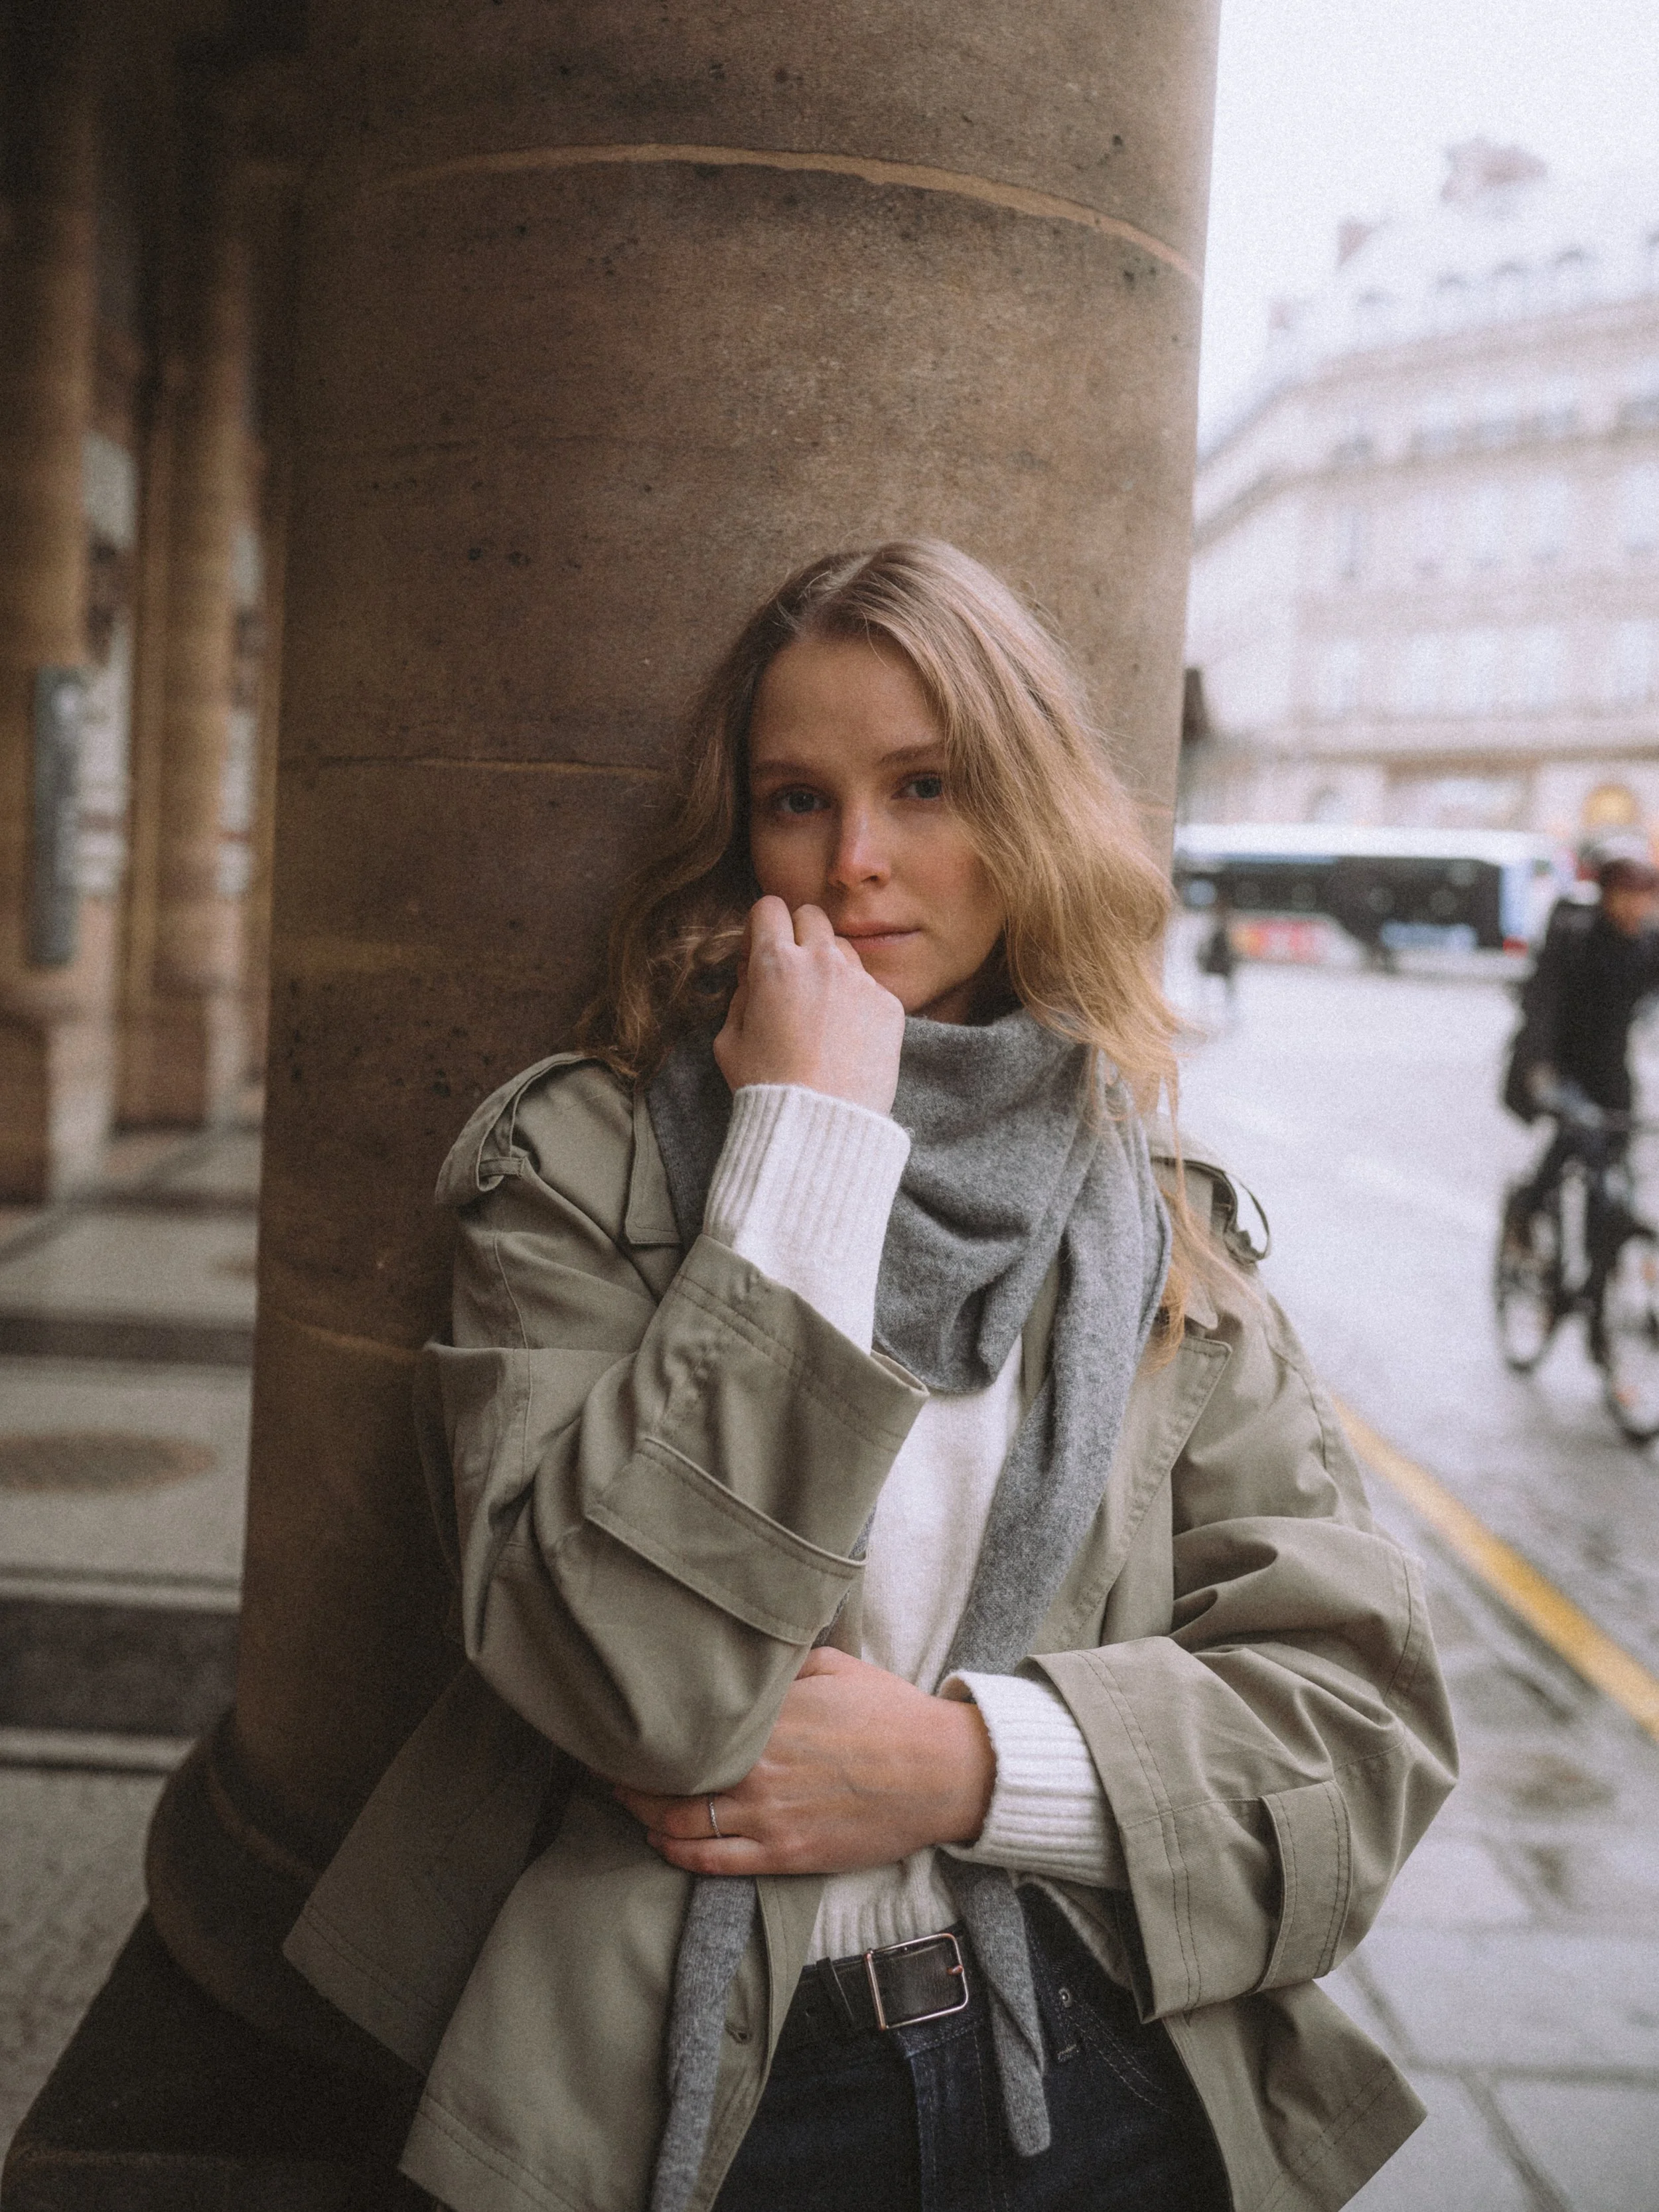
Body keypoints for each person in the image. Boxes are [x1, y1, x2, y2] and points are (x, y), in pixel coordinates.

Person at [285, 542, 1457, 2212]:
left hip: (1095, 2055)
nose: (857, 863)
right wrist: (807, 1147)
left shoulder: (1153, 1226)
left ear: (1029, 812)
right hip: (690, 2093)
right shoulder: (575, 1173)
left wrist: (975, 1768)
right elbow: (639, 1682)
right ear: (735, 832)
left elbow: (1359, 1726)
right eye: (794, 799)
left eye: (927, 785)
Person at [1502, 845, 1659, 1311]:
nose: (1636, 906)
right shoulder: (1576, 937)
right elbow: (1544, 1002)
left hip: (1614, 1073)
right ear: (1606, 895)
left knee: (1616, 1176)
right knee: (1579, 1140)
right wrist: (1542, 1072)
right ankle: (1526, 1210)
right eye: (1626, 895)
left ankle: (1599, 1275)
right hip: (1563, 1067)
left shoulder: (1648, 946)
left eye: (1645, 896)